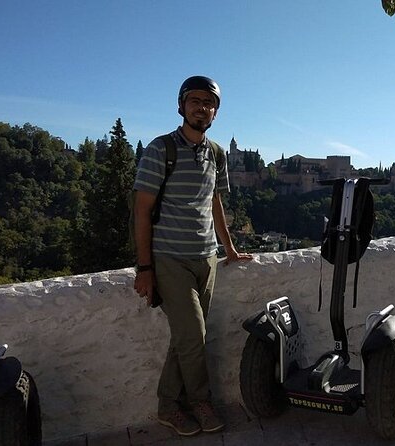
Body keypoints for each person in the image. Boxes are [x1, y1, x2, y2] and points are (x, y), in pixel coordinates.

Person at [133, 75, 252, 436]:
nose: (203, 107)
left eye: (210, 103)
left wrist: (228, 248)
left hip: (207, 259)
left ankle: (168, 407)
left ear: (216, 112)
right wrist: (144, 268)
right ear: (182, 105)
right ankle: (201, 401)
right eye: (196, 101)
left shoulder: (216, 153)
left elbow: (214, 202)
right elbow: (141, 210)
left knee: (186, 338)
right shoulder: (160, 150)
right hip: (170, 258)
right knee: (194, 335)